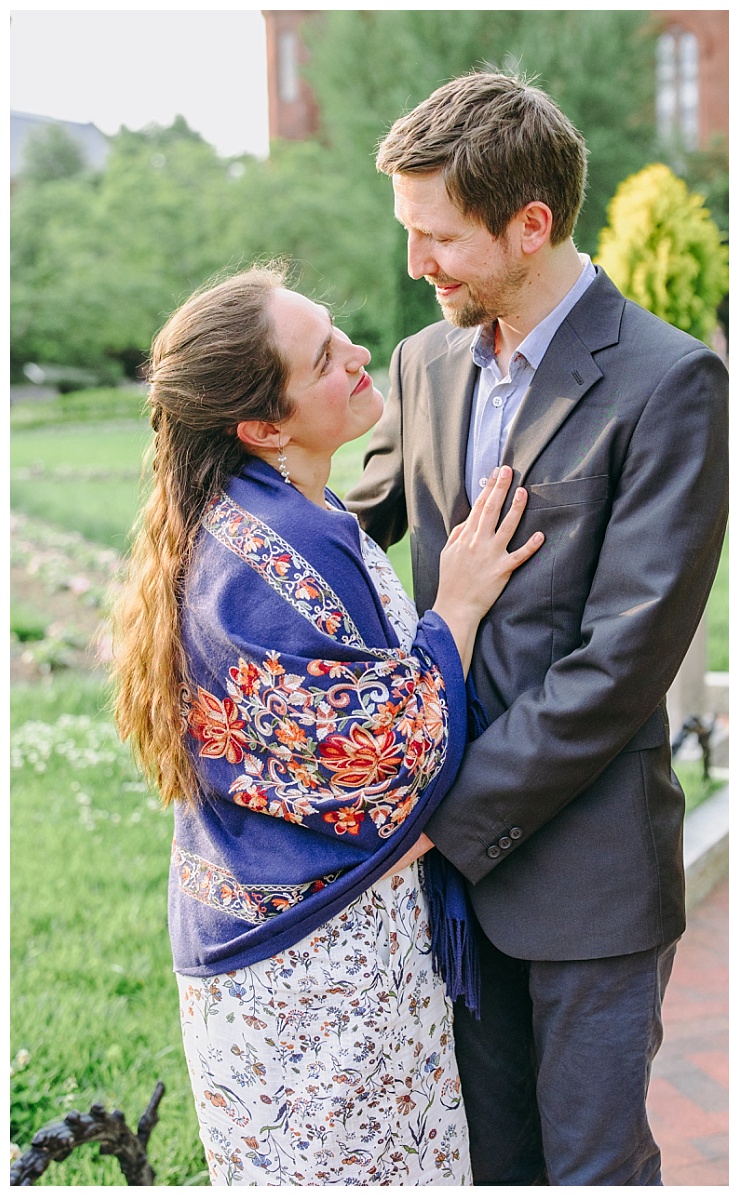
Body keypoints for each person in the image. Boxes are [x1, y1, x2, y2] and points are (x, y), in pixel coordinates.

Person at [343, 71, 729, 1185]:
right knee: (489, 1163)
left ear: (531, 224)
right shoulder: (422, 365)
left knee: (593, 1166)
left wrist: (442, 816)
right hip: (445, 888)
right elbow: (343, 549)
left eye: (439, 238)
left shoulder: (668, 381)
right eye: (409, 233)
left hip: (589, 880)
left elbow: (622, 659)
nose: (416, 266)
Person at [112, 263, 545, 1184]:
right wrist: (457, 611)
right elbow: (377, 752)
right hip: (312, 980)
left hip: (291, 959)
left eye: (336, 333)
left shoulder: (278, 512)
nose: (359, 358)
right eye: (323, 361)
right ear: (265, 428)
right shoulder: (268, 560)